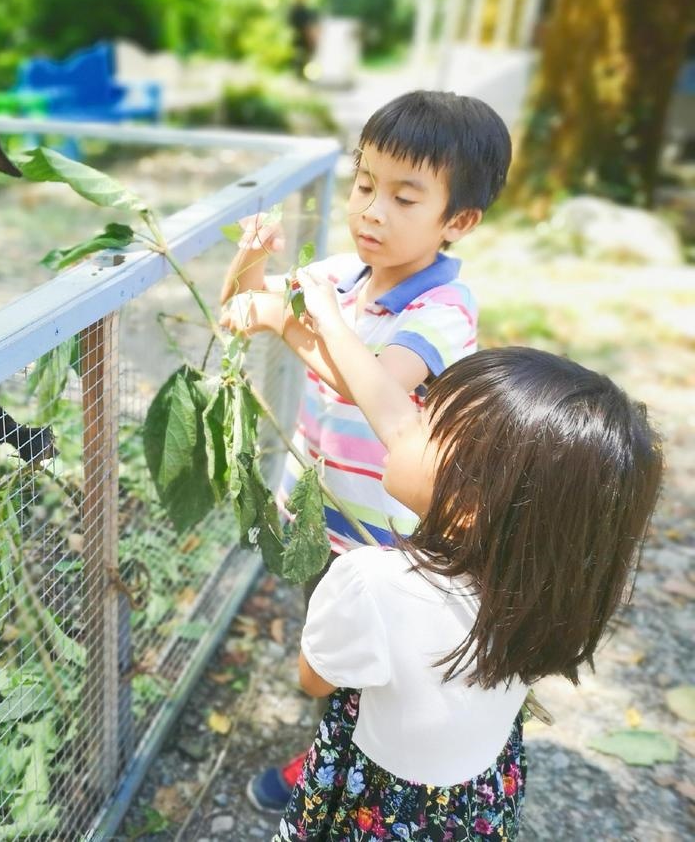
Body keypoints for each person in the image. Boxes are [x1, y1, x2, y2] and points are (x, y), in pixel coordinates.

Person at [266, 276, 663, 839]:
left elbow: (315, 681)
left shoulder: (372, 581)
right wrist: (329, 320)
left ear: (472, 503)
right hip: (474, 801)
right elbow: (392, 416)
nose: (405, 421)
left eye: (426, 420)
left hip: (374, 800)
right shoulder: (541, 586)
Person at [219, 89, 513, 813]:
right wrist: (249, 267)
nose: (372, 210)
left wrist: (305, 323)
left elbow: (372, 384)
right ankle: (337, 761)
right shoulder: (337, 281)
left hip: (391, 538)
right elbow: (241, 312)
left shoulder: (443, 311)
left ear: (459, 221)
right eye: (365, 184)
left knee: (374, 668)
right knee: (336, 647)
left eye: (405, 197)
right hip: (322, 517)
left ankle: (365, 778)